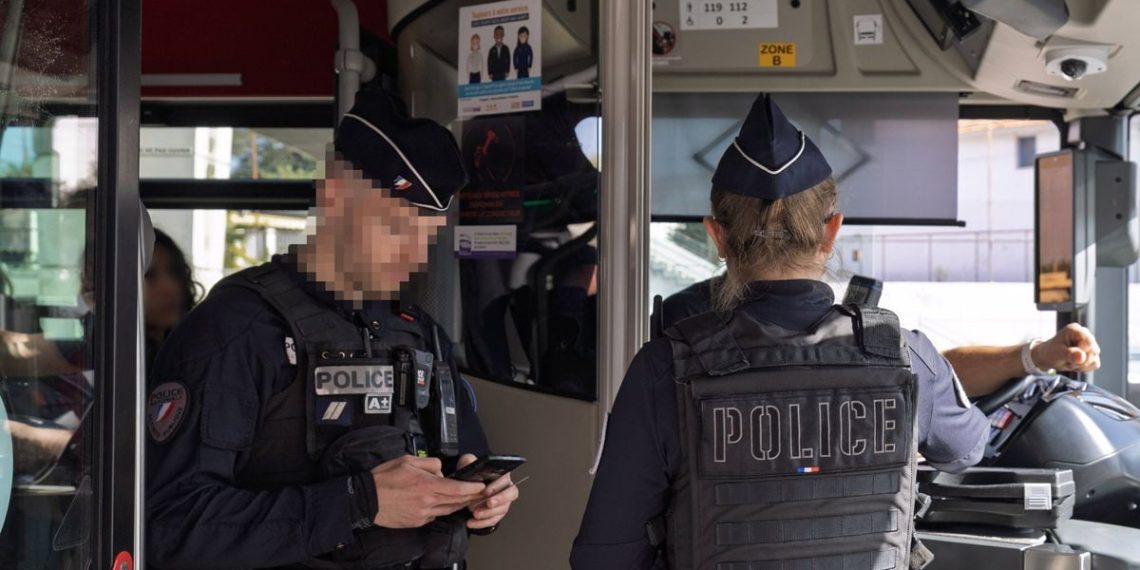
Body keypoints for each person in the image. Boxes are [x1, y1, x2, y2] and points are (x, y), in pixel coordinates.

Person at [570, 95, 1101, 569]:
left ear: (717, 236)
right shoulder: (905, 355)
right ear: (831, 230)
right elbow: (966, 448)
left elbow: (604, 554)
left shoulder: (665, 367)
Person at [145, 90, 519, 570]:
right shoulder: (236, 331)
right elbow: (171, 527)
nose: (415, 257)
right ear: (335, 196)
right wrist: (358, 503)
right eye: (398, 230)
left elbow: (467, 462)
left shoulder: (419, 335)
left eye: (427, 238)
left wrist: (483, 500)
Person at [654, 277, 1102, 398]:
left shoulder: (657, 384)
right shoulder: (865, 367)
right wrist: (1036, 356)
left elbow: (607, 545)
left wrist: (1036, 355)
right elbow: (961, 447)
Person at [144, 229, 201, 377]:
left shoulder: (197, 350)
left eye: (175, 271)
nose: (170, 288)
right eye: (149, 276)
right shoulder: (100, 361)